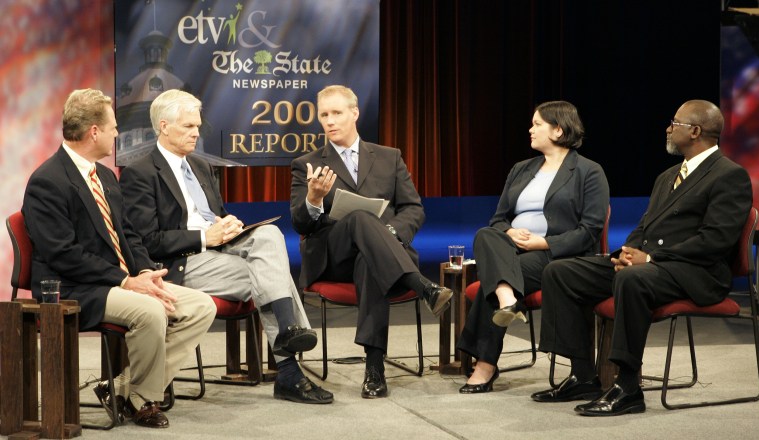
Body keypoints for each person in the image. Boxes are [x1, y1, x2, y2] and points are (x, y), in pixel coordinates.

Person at [531, 99, 753, 416]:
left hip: (695, 274)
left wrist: (649, 259)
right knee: (561, 272)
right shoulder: (668, 176)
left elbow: (715, 241)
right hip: (654, 267)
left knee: (633, 277)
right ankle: (583, 375)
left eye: (674, 123)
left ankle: (628, 386)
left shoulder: (729, 175)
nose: (667, 127)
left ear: (694, 130)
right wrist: (627, 253)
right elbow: (644, 227)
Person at [119, 89, 333, 404]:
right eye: (188, 126)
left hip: (221, 249)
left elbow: (213, 215)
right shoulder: (140, 173)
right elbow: (147, 240)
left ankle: (288, 333)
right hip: (183, 260)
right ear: (164, 126)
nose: (196, 132)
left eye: (197, 126)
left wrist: (227, 225)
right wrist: (207, 237)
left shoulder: (202, 168)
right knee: (268, 275)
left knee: (270, 235)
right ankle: (289, 367)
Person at [22, 88, 216, 428]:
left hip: (123, 280)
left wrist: (145, 272)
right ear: (94, 131)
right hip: (76, 287)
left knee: (201, 306)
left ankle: (125, 389)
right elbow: (63, 254)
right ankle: (144, 400)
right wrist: (126, 281)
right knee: (152, 310)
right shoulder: (47, 181)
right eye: (113, 127)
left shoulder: (106, 177)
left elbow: (128, 236)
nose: (117, 133)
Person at [290, 85, 453, 399]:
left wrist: (388, 235)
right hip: (332, 257)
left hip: (380, 257)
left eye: (336, 113)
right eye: (324, 115)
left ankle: (374, 369)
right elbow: (301, 223)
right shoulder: (307, 163)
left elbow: (413, 209)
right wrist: (313, 198)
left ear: (355, 113)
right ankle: (423, 287)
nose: (329, 121)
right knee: (362, 217)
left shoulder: (389, 157)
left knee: (371, 259)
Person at [457, 101, 610, 393]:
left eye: (537, 124)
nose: (530, 129)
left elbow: (590, 231)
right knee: (486, 234)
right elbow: (499, 219)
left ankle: (485, 365)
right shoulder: (521, 169)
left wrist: (544, 242)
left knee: (495, 278)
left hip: (556, 255)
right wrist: (511, 232)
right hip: (512, 249)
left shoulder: (588, 171)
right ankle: (507, 299)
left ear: (558, 129)